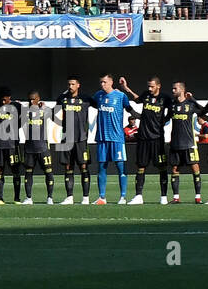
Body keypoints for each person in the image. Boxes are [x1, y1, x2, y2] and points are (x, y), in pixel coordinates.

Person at [119, 75, 172, 204]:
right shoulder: (146, 95)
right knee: (141, 166)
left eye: (152, 86)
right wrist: (126, 88)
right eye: (148, 86)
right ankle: (138, 196)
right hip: (143, 137)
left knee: (162, 167)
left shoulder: (165, 98)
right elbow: (137, 100)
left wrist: (161, 122)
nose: (149, 88)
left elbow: (170, 114)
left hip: (157, 138)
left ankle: (163, 196)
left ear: (158, 86)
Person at [90, 74, 129, 205]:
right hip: (102, 138)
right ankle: (102, 197)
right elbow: (92, 104)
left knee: (121, 168)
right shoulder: (98, 96)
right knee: (101, 168)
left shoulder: (120, 96)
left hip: (117, 138)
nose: (102, 84)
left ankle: (123, 197)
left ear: (111, 82)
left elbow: (129, 108)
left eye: (105, 82)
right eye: (101, 82)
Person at [56, 75, 93, 205]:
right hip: (66, 138)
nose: (70, 87)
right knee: (68, 167)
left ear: (78, 85)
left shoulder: (86, 99)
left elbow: (98, 104)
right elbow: (57, 102)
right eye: (69, 84)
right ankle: (69, 197)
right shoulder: (63, 99)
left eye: (73, 84)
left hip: (81, 139)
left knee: (83, 166)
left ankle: (86, 197)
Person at [168, 81, 205, 204]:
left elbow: (204, 111)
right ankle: (176, 197)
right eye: (172, 89)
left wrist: (193, 99)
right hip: (175, 142)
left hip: (189, 142)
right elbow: (166, 118)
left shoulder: (190, 104)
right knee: (174, 169)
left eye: (175, 89)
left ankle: (198, 196)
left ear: (182, 90)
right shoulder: (172, 105)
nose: (173, 91)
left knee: (195, 168)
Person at [21, 91, 55, 204]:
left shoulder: (44, 110)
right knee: (28, 172)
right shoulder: (25, 112)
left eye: (33, 99)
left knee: (48, 172)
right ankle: (28, 198)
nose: (31, 101)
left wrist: (45, 106)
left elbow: (53, 114)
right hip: (29, 148)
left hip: (43, 147)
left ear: (38, 99)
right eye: (29, 99)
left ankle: (50, 197)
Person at [0, 87, 23, 204]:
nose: (3, 102)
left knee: (15, 170)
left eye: (5, 100)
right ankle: (0, 198)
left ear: (9, 98)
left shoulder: (17, 106)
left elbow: (25, 118)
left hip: (12, 145)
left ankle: (17, 198)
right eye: (1, 100)